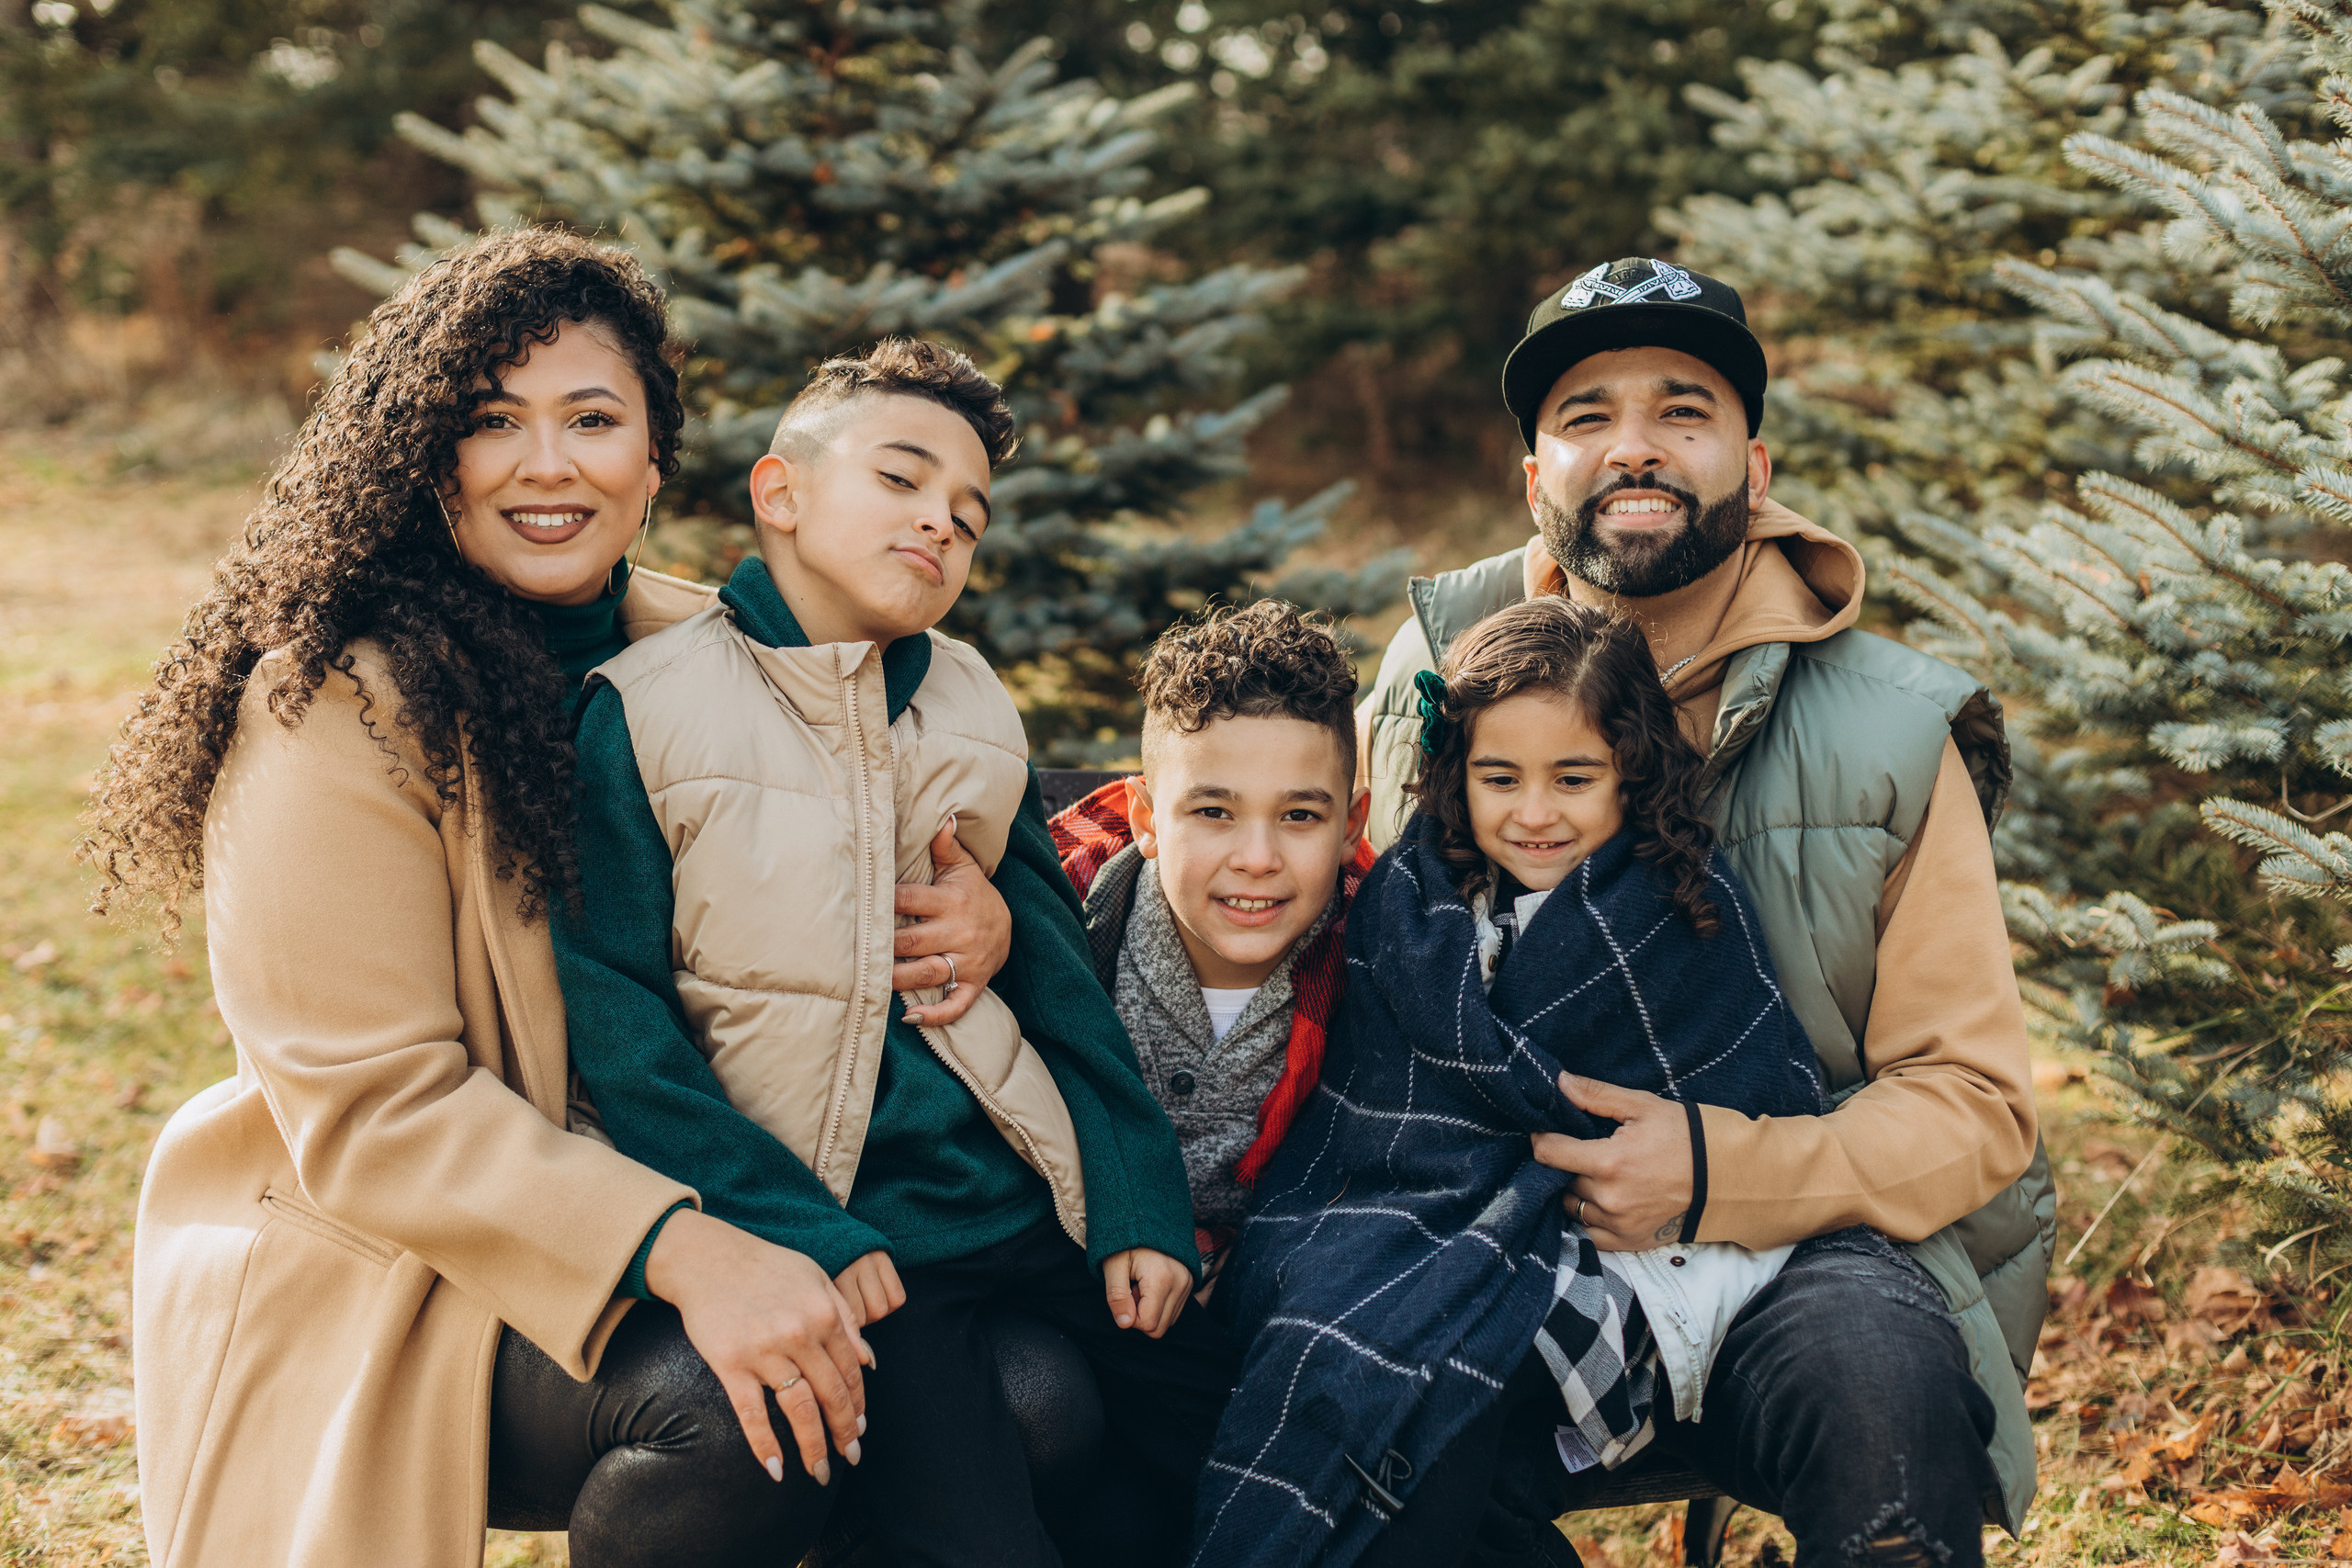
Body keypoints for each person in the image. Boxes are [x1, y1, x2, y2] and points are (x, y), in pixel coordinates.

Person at [103, 231, 1016, 1568]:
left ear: (652, 464)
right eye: (492, 421)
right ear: (428, 454)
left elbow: (880, 829)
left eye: (593, 419)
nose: (549, 464)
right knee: (733, 1408)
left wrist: (977, 905)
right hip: (395, 1259)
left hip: (702, 1187)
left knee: (1032, 1395)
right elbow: (376, 1110)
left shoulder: (713, 653)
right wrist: (687, 1247)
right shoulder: (333, 704)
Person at [1353, 257, 2051, 1563]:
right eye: (1585, 414)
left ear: (1756, 465)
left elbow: (1975, 1100)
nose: (1634, 447)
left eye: (1683, 409)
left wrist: (1722, 1171)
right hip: (1479, 1229)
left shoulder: (1890, 730)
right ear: (1533, 478)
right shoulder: (1428, 680)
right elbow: (1331, 951)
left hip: (1803, 1241)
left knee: (1882, 1402)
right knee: (1368, 1430)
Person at [554, 337, 1238, 1568]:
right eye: (904, 481)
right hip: (862, 1236)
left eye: (969, 516)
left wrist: (1137, 1199)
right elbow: (618, 1023)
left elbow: (1057, 980)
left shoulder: (971, 701)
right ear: (783, 493)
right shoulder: (648, 707)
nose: (940, 523)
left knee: (1248, 1421)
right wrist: (790, 1229)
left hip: (1028, 1199)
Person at [1193, 595, 1826, 1568]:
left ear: (1628, 773)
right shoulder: (1410, 902)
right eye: (1500, 778)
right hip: (1393, 1223)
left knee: (1437, 1386)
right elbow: (1372, 1123)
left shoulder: (1682, 908)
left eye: (1573, 778)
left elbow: (1759, 1089)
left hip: (1610, 1267)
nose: (1534, 814)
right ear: (1457, 776)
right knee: (1351, 1358)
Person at [1048, 599, 1374, 1287]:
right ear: (1146, 819)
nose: (1257, 857)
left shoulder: (1383, 967)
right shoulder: (1062, 936)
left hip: (1286, 1289)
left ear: (1350, 825)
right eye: (1214, 812)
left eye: (1299, 815)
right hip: (1075, 1275)